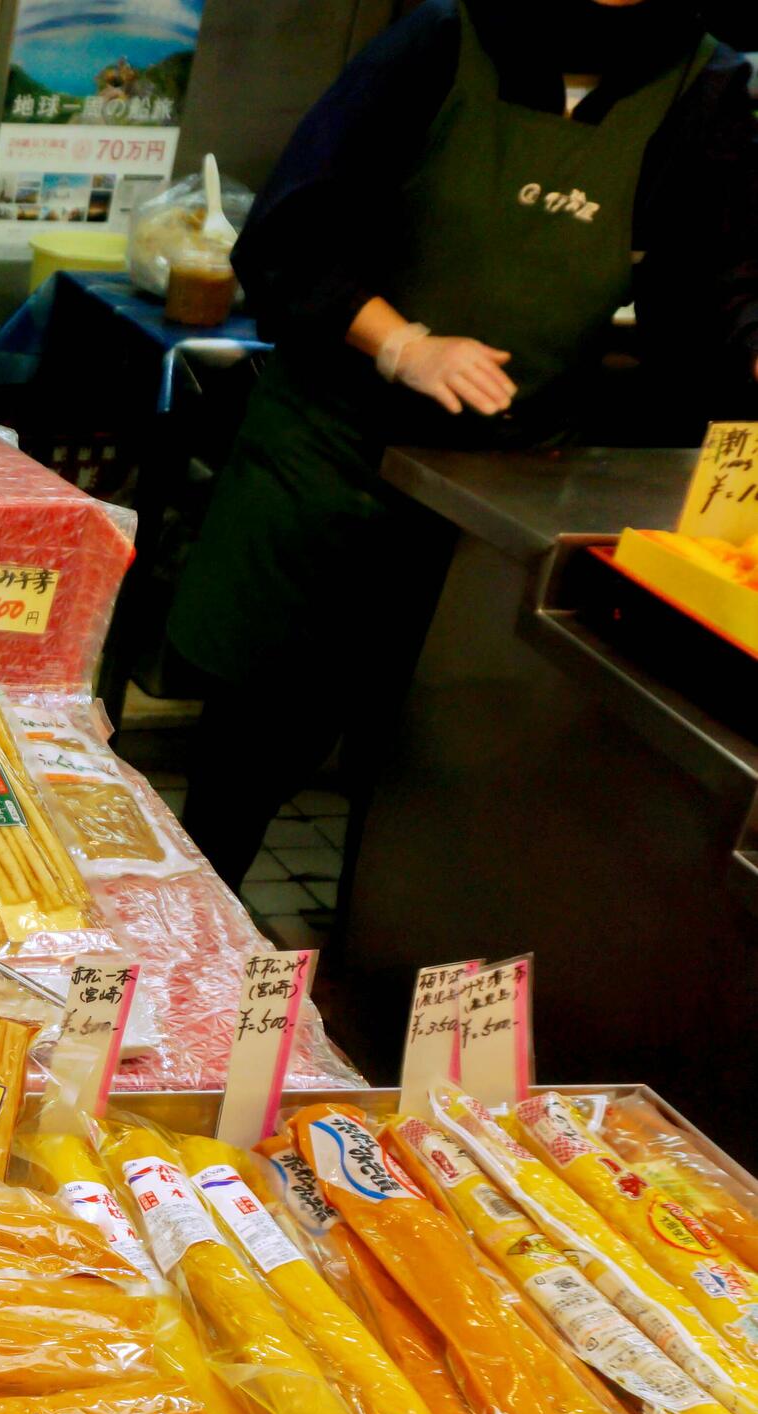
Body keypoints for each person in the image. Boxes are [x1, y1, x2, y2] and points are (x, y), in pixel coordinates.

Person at [165, 0, 758, 889]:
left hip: (501, 491)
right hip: (329, 460)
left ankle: (363, 968)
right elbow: (292, 233)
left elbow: (708, 292)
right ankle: (186, 946)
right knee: (253, 752)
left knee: (424, 775)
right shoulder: (444, 39)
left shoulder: (699, 83)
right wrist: (403, 345)